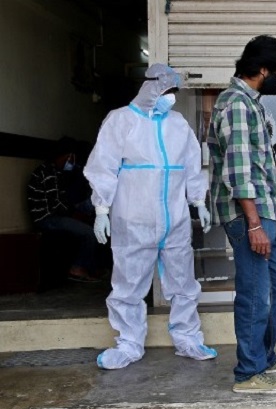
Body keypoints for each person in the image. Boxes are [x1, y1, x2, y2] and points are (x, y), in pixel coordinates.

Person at [84, 63, 216, 370]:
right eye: (167, 91)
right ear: (151, 88)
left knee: (183, 283)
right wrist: (101, 209)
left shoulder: (178, 123)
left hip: (175, 219)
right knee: (128, 285)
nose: (171, 97)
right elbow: (103, 166)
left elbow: (191, 164)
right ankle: (128, 343)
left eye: (174, 92)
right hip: (133, 220)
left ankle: (187, 339)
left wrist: (198, 202)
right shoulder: (121, 120)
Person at [206, 35, 276, 394]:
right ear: (262, 70)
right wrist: (254, 223)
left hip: (262, 213)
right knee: (255, 293)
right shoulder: (237, 106)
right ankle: (248, 372)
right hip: (250, 216)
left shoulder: (248, 103)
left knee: (274, 287)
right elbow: (239, 172)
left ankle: (263, 357)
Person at [28, 144, 101, 283]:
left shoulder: (54, 172)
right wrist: (75, 214)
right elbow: (56, 205)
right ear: (65, 156)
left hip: (54, 216)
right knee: (90, 233)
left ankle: (91, 268)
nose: (71, 163)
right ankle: (77, 268)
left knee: (92, 225)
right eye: (70, 159)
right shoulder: (47, 173)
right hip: (47, 219)